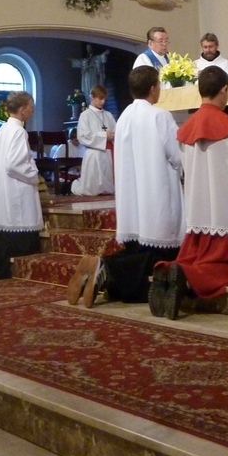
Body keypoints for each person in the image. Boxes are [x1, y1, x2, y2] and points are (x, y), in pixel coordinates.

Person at [151, 67, 228, 320]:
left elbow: (183, 166)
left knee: (196, 256)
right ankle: (186, 276)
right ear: (224, 89)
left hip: (198, 215)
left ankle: (169, 269)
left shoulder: (185, 130)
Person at [66, 66, 183, 307]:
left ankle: (103, 273)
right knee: (158, 256)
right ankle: (105, 266)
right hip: (155, 197)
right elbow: (177, 155)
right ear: (153, 88)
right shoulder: (160, 116)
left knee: (137, 251)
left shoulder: (124, 118)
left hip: (131, 201)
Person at [0, 92, 41, 279]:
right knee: (18, 229)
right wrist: (33, 173)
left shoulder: (4, 129)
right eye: (31, 106)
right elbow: (14, 164)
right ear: (22, 109)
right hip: (15, 188)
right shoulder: (18, 131)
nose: (33, 110)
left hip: (3, 188)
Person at [71, 85, 116, 196]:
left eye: (104, 99)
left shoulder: (108, 115)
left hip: (108, 152)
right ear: (92, 96)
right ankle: (74, 185)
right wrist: (104, 135)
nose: (103, 102)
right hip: (94, 153)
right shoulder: (85, 115)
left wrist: (113, 135)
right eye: (100, 98)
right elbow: (83, 136)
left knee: (109, 189)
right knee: (91, 189)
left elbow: (116, 131)